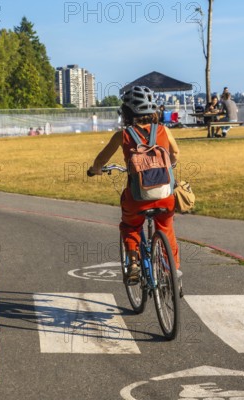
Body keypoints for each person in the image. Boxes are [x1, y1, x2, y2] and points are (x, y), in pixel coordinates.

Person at [87, 86, 180, 284]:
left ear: (127, 112)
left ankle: (134, 263)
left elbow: (100, 160)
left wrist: (95, 170)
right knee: (166, 227)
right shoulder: (164, 131)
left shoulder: (123, 136)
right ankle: (173, 272)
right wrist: (169, 165)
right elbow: (176, 154)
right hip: (165, 195)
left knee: (130, 225)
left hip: (138, 198)